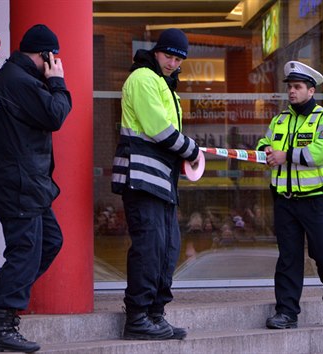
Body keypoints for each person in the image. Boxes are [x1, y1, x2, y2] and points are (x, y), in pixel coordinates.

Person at [0, 24, 72, 353]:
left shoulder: (12, 78)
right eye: (52, 55)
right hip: (20, 184)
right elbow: (56, 115)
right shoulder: (19, 81)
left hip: (28, 183)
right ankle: (2, 325)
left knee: (50, 242)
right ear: (43, 54)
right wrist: (57, 82)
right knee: (25, 252)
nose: (56, 61)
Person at [111, 28, 200, 341]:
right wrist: (191, 149)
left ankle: (154, 314)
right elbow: (158, 129)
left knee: (166, 249)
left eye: (178, 59)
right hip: (141, 179)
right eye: (168, 55)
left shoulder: (164, 84)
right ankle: (137, 317)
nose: (173, 62)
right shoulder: (144, 78)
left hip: (159, 181)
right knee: (150, 249)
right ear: (157, 51)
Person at [256, 61, 323, 330]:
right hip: (285, 200)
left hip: (316, 199)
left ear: (311, 90)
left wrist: (285, 155)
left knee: (322, 254)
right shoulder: (279, 119)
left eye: (297, 87)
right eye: (290, 87)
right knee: (288, 258)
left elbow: (318, 154)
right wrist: (267, 151)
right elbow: (263, 145)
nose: (291, 92)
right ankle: (286, 312)